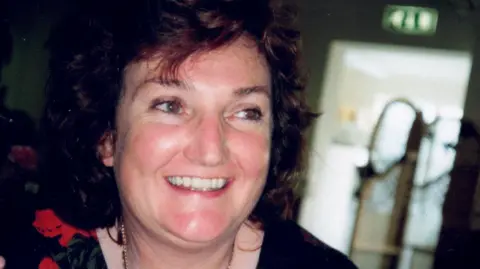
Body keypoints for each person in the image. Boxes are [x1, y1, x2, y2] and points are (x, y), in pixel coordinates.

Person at [1, 0, 358, 268]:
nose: (211, 151)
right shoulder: (21, 253)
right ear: (106, 136)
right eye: (170, 105)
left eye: (246, 112)